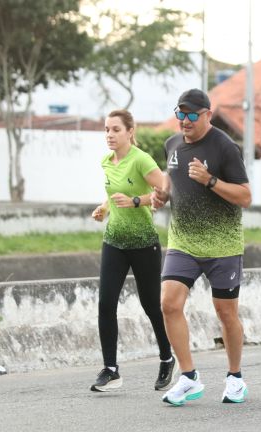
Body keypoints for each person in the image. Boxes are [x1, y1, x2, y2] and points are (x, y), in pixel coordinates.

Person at [151, 89, 252, 406]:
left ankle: (235, 377)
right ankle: (189, 377)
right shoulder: (172, 145)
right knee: (169, 303)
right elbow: (171, 180)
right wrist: (162, 196)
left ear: (207, 114)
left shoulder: (224, 146)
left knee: (226, 313)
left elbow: (245, 197)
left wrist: (210, 180)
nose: (185, 121)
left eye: (192, 114)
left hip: (223, 244)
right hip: (182, 242)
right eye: (180, 114)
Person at [90, 109, 175, 392]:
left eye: (115, 130)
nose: (109, 135)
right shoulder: (106, 161)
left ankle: (167, 357)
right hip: (114, 241)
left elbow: (164, 191)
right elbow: (113, 194)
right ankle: (111, 369)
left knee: (151, 305)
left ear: (129, 132)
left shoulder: (141, 159)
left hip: (143, 244)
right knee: (105, 303)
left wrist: (137, 200)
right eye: (106, 130)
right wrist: (104, 208)